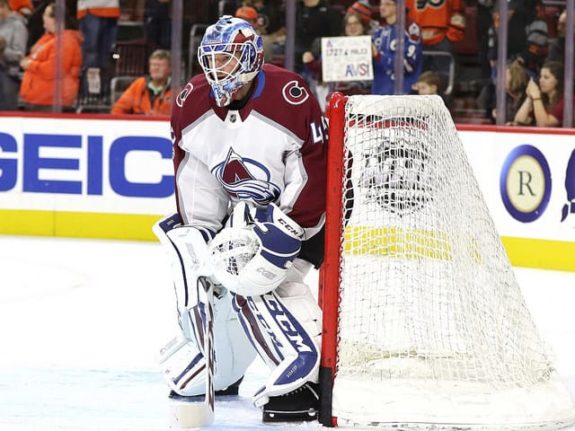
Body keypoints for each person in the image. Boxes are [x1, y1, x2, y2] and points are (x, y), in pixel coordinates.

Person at [155, 15, 326, 424]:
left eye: (228, 60)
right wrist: (200, 234)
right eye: (212, 59)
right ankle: (223, 363)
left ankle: (304, 382)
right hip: (241, 219)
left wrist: (285, 235)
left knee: (278, 285)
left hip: (301, 220)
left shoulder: (290, 95)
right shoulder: (190, 103)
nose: (219, 70)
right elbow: (194, 176)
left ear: (252, 58)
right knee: (212, 283)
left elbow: (313, 174)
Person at [19, 2, 82, 110]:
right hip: (37, 101)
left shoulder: (66, 42)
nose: (42, 17)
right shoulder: (48, 38)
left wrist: (30, 65)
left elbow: (54, 69)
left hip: (50, 102)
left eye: (45, 14)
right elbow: (31, 57)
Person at [302, 11, 372, 99]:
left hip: (365, 95)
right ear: (344, 28)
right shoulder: (335, 47)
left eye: (356, 23)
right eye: (348, 24)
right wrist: (310, 62)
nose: (352, 27)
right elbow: (324, 71)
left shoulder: (372, 46)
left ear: (363, 26)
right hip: (340, 95)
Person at [372, 0, 422, 95]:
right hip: (378, 92)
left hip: (403, 91)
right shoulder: (378, 31)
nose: (382, 7)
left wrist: (378, 56)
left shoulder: (411, 28)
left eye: (387, 4)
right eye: (381, 4)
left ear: (399, 6)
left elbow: (408, 65)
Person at [111, 49, 172, 115]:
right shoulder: (139, 84)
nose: (156, 68)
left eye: (160, 65)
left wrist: (159, 117)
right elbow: (117, 111)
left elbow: (182, 118)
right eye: (153, 65)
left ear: (169, 69)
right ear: (149, 68)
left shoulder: (177, 89)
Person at [513, 61, 565, 127]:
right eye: (540, 77)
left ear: (558, 80)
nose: (541, 80)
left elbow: (544, 124)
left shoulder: (566, 101)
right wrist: (529, 97)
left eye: (546, 77)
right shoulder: (542, 99)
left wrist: (536, 96)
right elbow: (518, 121)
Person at [0, 0, 27, 110]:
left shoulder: (18, 25)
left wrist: (2, 50)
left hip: (8, 77)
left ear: (3, 7)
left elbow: (19, 55)